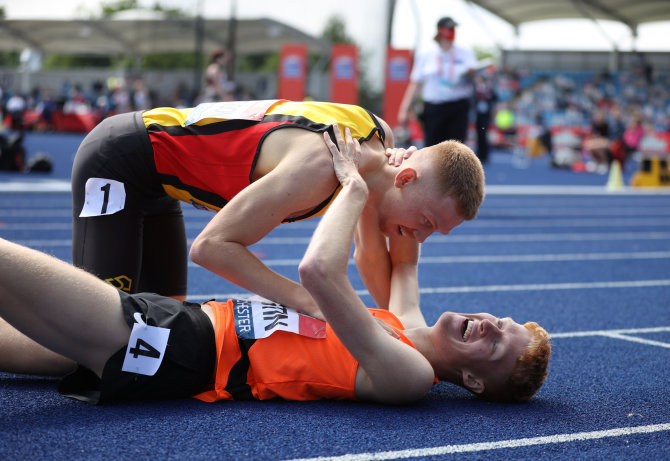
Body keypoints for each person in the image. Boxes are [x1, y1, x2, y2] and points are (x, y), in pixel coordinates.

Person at [0, 127, 551, 405]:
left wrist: (356, 187)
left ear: (474, 381)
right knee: (27, 341)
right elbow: (403, 261)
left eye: (495, 344)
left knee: (14, 272)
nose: (488, 324)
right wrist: (397, 171)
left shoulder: (410, 375)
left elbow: (318, 274)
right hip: (190, 323)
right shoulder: (403, 326)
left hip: (187, 352)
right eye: (501, 321)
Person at [71, 99, 485, 319]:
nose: (419, 237)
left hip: (161, 183)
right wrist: (306, 301)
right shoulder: (323, 167)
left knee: (157, 320)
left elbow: (372, 257)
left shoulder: (373, 142)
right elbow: (212, 246)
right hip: (121, 160)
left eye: (434, 233)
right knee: (93, 331)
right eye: (426, 222)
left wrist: (401, 333)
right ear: (406, 178)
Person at [397, 16, 477, 145]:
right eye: (449, 29)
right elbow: (416, 83)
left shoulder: (465, 52)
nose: (451, 32)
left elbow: (474, 77)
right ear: (441, 31)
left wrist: (471, 74)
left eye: (453, 29)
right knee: (433, 149)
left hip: (458, 107)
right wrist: (405, 109)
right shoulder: (426, 54)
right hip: (434, 108)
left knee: (456, 150)